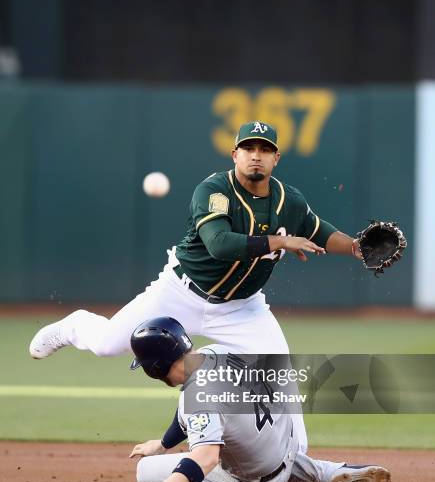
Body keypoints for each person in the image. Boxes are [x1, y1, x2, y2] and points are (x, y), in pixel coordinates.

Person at [29, 120, 363, 454]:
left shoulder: (289, 200)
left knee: (281, 377)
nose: (255, 156)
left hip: (241, 308)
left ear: (277, 158)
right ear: (235, 154)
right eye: (248, 148)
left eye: (264, 149)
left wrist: (354, 247)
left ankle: (298, 461)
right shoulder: (214, 191)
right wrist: (281, 240)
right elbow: (219, 244)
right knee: (107, 344)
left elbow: (318, 231)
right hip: (179, 293)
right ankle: (74, 326)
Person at [119, 317, 390, 482]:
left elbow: (206, 458)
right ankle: (322, 472)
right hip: (286, 440)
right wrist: (164, 443)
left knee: (146, 472)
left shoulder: (196, 397)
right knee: (237, 431)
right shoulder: (216, 351)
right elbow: (192, 417)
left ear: (154, 368)